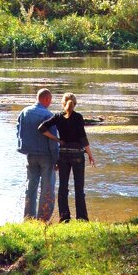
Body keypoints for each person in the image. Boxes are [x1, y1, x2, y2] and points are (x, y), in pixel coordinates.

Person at [39, 92, 95, 222]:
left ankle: (64, 218)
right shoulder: (78, 117)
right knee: (79, 187)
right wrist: (90, 155)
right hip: (77, 155)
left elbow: (41, 128)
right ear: (75, 104)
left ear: (63, 104)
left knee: (63, 187)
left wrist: (57, 139)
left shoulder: (58, 116)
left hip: (63, 155)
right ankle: (82, 218)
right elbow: (83, 138)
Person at [16, 87, 59, 221]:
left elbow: (18, 131)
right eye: (50, 100)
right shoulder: (48, 116)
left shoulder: (24, 112)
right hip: (46, 156)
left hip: (30, 155)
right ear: (46, 99)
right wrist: (57, 159)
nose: (50, 103)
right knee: (47, 189)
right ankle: (43, 219)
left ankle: (28, 218)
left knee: (31, 187)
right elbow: (52, 139)